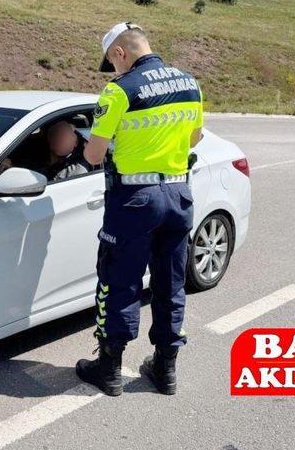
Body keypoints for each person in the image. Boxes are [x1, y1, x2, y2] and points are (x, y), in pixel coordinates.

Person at [75, 22, 204, 396]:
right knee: (171, 283)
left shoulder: (118, 91)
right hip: (179, 195)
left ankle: (110, 368)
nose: (113, 71)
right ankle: (165, 370)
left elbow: (94, 154)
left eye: (111, 63)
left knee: (120, 281)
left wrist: (117, 142)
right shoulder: (189, 83)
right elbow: (194, 136)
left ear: (120, 53)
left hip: (133, 200)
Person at [0, 120, 92, 181]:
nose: (62, 139)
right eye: (57, 134)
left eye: (66, 136)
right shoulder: (35, 155)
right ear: (49, 138)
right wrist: (9, 165)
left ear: (75, 142)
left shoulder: (78, 169)